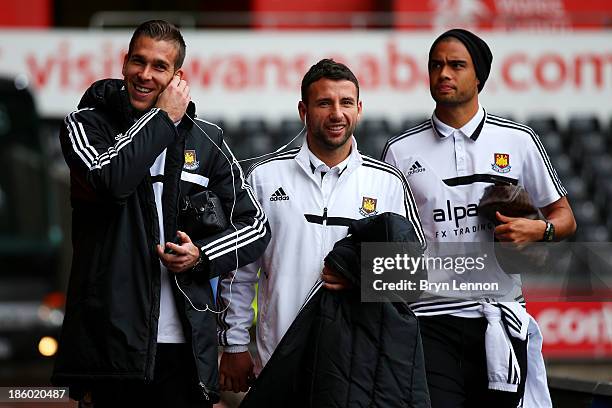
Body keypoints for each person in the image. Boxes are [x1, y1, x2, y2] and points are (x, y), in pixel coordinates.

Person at [51, 20, 270, 407]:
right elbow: (110, 179)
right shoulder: (85, 125)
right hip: (110, 346)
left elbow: (255, 225)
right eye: (139, 62)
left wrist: (202, 255)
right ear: (123, 64)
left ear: (177, 76)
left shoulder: (206, 139)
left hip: (185, 347)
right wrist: (162, 119)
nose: (145, 74)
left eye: (159, 66)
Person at [382, 29, 576, 407]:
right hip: (429, 319)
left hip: (500, 316)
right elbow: (392, 243)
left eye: (456, 65)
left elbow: (564, 216)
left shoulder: (518, 140)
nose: (443, 74)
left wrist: (539, 229)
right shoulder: (399, 151)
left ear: (479, 77)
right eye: (436, 65)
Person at [216, 58, 426, 393]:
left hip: (358, 366)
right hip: (280, 360)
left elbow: (412, 277)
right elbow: (239, 272)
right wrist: (235, 345)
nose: (336, 114)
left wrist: (359, 275)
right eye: (324, 103)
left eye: (345, 103)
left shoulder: (388, 182)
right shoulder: (264, 179)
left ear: (359, 109)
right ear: (304, 110)